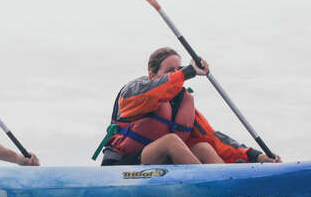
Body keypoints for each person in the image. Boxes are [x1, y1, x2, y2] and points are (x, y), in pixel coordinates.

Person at [96, 47, 281, 166]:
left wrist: (256, 157)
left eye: (179, 68)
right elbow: (155, 92)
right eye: (170, 71)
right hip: (122, 165)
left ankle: (231, 186)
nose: (177, 74)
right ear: (152, 75)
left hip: (157, 167)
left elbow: (215, 139)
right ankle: (214, 189)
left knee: (204, 147)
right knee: (171, 141)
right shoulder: (135, 91)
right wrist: (188, 72)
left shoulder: (182, 103)